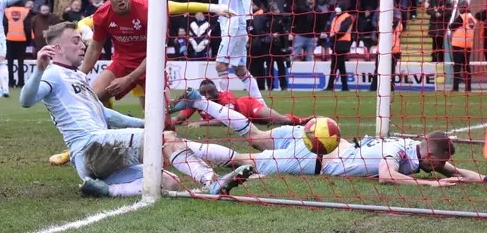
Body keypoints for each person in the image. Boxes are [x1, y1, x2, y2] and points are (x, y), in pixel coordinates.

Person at [19, 22, 254, 198]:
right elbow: (26, 101)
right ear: (56, 48)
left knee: (168, 181)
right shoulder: (52, 73)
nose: (82, 45)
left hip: (97, 157)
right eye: (76, 41)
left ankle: (107, 191)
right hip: (91, 147)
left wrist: (144, 124)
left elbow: (106, 115)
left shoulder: (76, 77)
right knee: (165, 140)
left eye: (81, 40)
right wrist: (39, 69)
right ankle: (212, 182)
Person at [49, 0, 236, 167]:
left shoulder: (148, 10)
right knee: (92, 98)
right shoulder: (102, 15)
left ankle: (175, 147)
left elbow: (155, 51)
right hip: (122, 63)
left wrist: (129, 79)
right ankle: (81, 146)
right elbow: (95, 48)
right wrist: (79, 76)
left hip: (151, 64)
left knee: (162, 119)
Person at [172, 88, 486, 186]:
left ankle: (200, 101)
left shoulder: (413, 147)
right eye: (439, 165)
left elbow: (455, 172)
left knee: (254, 135)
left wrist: (481, 179)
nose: (441, 168)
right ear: (430, 157)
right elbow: (387, 178)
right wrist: (434, 184)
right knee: (244, 160)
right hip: (315, 156)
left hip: (321, 134)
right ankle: (179, 145)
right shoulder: (396, 154)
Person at [214, 0, 263, 104]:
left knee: (220, 65)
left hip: (235, 25)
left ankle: (225, 105)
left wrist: (249, 20)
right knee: (239, 69)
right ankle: (261, 104)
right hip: (226, 25)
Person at [172, 80, 310, 128]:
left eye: (210, 92)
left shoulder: (226, 97)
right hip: (245, 122)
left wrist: (199, 123)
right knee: (268, 124)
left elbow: (226, 120)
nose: (207, 96)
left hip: (249, 108)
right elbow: (179, 119)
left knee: (280, 120)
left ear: (216, 91)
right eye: (204, 93)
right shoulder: (197, 101)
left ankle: (303, 121)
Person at [449, 2, 476, 92]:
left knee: (457, 67)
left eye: (460, 7)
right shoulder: (471, 18)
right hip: (467, 46)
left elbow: (451, 27)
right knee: (466, 67)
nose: (459, 9)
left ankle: (455, 88)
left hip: (458, 46)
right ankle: (468, 88)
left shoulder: (462, 17)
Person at [324, 7, 353, 91]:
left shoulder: (347, 17)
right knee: (340, 66)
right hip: (337, 43)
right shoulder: (336, 17)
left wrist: (332, 38)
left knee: (335, 65)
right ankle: (344, 87)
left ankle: (331, 86)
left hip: (342, 43)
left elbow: (343, 30)